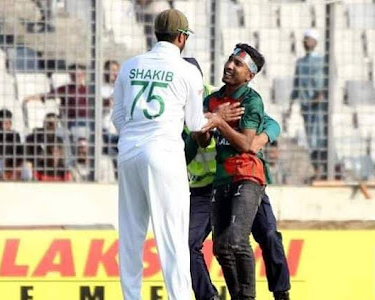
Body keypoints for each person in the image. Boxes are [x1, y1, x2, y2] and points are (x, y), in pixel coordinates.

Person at [112, 9, 216, 300]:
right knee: (172, 235)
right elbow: (195, 124)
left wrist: (136, 133)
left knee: (131, 235)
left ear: (156, 34)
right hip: (164, 153)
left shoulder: (130, 65)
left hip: (129, 153)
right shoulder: (187, 70)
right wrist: (216, 117)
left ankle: (131, 296)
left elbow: (118, 115)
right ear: (182, 37)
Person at [183, 58, 290, 300]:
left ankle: (281, 292)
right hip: (207, 186)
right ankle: (211, 297)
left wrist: (260, 140)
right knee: (196, 246)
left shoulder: (213, 95)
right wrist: (203, 126)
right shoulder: (172, 108)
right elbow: (189, 150)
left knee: (268, 236)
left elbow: (269, 122)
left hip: (244, 175)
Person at [200, 43, 270, 300]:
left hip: (248, 176)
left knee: (237, 241)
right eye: (230, 60)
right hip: (222, 178)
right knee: (220, 248)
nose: (229, 66)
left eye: (238, 64)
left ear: (249, 75)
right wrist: (206, 123)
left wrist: (218, 121)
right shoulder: (213, 99)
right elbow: (201, 141)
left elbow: (247, 144)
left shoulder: (252, 100)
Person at [287, 29, 326, 179]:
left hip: (320, 108)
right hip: (307, 107)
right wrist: (291, 104)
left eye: (308, 39)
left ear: (315, 42)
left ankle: (323, 169)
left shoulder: (323, 60)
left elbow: (329, 80)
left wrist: (322, 94)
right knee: (312, 139)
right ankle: (317, 169)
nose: (305, 42)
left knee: (321, 137)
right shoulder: (300, 63)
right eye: (304, 39)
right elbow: (296, 85)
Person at [25, 64, 90, 131]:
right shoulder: (65, 89)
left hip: (91, 120)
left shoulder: (90, 90)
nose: (76, 78)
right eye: (73, 76)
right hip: (74, 120)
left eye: (79, 76)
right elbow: (47, 96)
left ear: (83, 75)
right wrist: (29, 98)